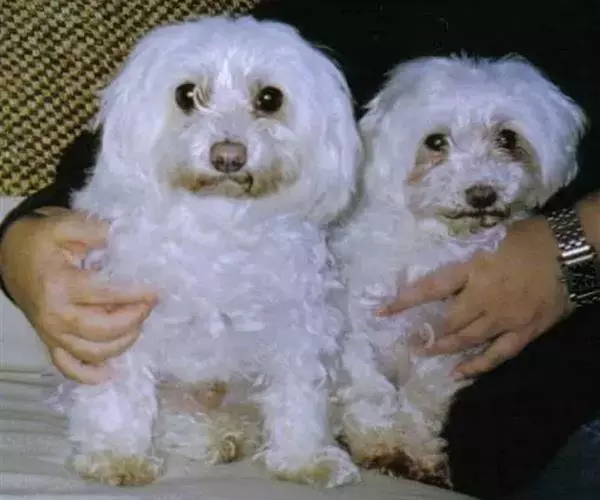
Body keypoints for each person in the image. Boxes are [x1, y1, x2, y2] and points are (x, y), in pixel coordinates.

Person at [0, 0, 598, 498]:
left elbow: (302, 336)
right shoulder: (325, 20)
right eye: (191, 97)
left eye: (266, 103)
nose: (229, 142)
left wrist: (582, 238)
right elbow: (85, 178)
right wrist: (19, 244)